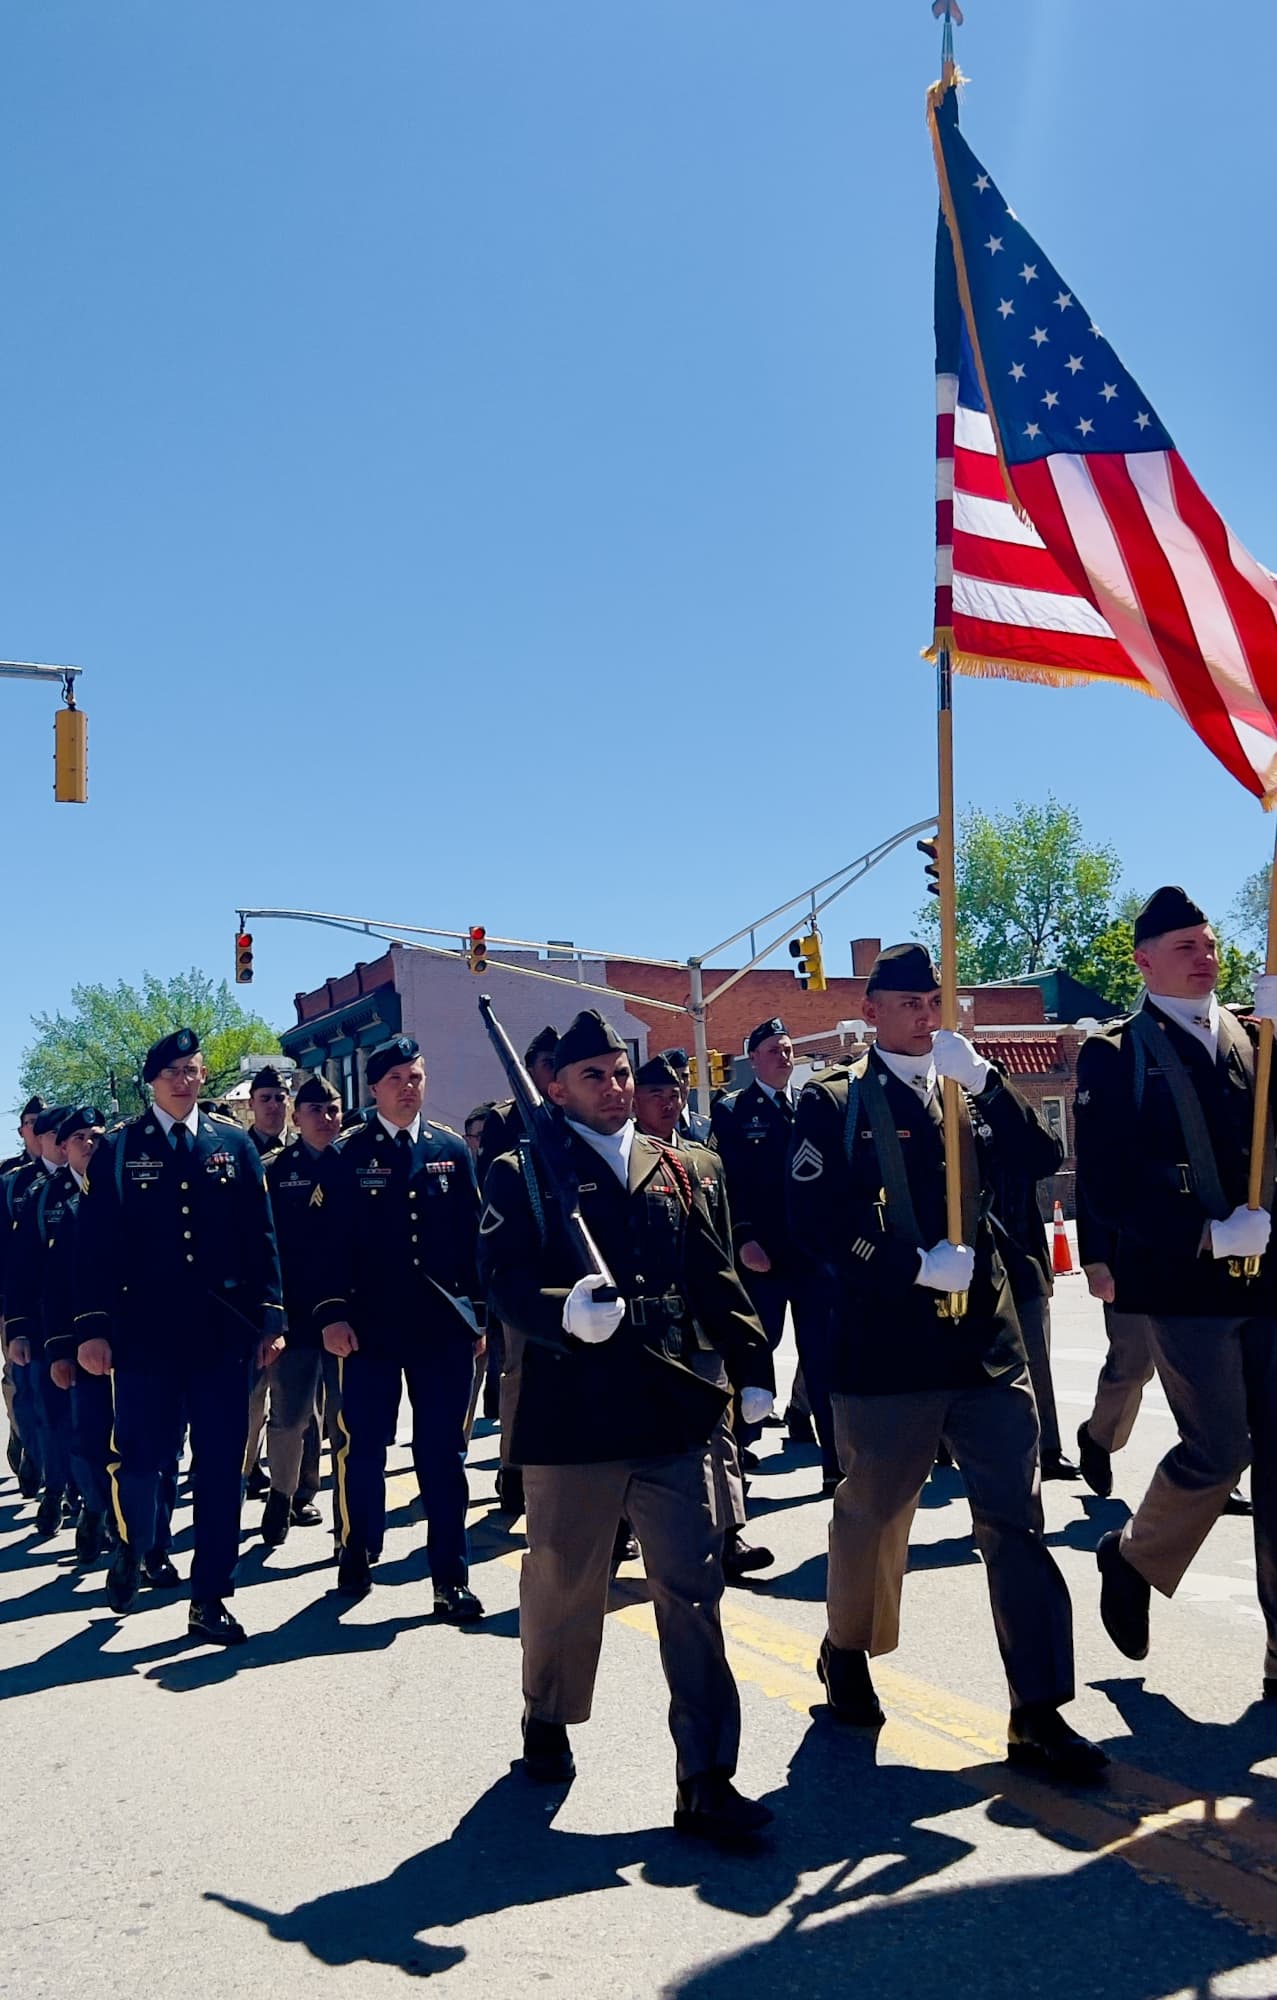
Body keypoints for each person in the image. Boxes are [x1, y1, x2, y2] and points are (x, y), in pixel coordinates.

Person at [788, 943, 1106, 1784]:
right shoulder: (833, 1101)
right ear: (872, 1011)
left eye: (933, 1001)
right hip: (887, 1347)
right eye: (909, 1003)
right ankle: (846, 1647)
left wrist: (990, 1083)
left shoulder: (968, 1087)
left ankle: (1037, 1710)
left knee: (1015, 1522)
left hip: (984, 1344)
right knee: (873, 1517)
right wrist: (908, 1266)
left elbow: (1039, 1160)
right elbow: (815, 1220)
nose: (926, 1015)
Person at [479, 1008, 777, 1844]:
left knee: (692, 1587)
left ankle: (706, 1777)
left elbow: (713, 1274)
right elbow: (500, 1280)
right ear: (555, 1089)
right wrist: (562, 1310)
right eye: (593, 1077)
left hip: (668, 1402)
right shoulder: (520, 1172)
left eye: (619, 1074)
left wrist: (752, 1367)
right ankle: (547, 1711)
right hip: (572, 1411)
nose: (613, 1090)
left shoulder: (678, 1166)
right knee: (564, 1582)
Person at [1075, 887, 1277, 1692]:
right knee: (1219, 1449)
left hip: (1269, 1278)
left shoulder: (1255, 1038)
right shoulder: (1114, 1052)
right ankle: (1131, 1557)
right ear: (1144, 961)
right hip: (1183, 1285)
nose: (1206, 957)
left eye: (1210, 943)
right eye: (1186, 946)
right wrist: (1202, 1233)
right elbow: (1105, 1185)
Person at [74, 1027, 284, 1644]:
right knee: (143, 1460)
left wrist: (271, 1317)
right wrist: (92, 1329)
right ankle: (132, 1542)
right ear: (152, 1081)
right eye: (173, 1072)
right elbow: (94, 1248)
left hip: (221, 1335)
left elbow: (261, 1235)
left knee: (220, 1468)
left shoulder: (233, 1144)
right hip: (146, 1336)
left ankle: (210, 1597)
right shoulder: (120, 1149)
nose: (185, 1081)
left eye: (193, 1070)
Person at [315, 1034, 486, 1621]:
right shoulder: (347, 1154)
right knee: (365, 1447)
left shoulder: (450, 1149)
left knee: (443, 1452)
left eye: (416, 1077)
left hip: (441, 1326)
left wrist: (478, 1314)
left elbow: (472, 1239)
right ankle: (357, 1547)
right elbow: (326, 1247)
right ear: (374, 1088)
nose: (409, 1089)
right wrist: (332, 1315)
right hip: (371, 1328)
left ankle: (450, 1578)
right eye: (396, 1080)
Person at [633, 1054, 773, 1582]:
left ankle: (730, 1536)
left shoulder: (705, 1161)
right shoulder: (624, 1162)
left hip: (704, 1322)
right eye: (656, 1095)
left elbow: (722, 1250)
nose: (669, 1103)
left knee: (720, 1432)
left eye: (675, 1094)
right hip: (652, 1328)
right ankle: (627, 1529)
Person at [711, 1019, 838, 1488]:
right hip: (761, 1258)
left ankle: (836, 1464)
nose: (784, 1057)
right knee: (753, 1353)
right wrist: (743, 1237)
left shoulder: (810, 1107)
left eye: (787, 1050)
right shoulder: (734, 1112)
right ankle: (738, 1448)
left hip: (810, 1258)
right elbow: (729, 1184)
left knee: (822, 1357)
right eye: (774, 1051)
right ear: (754, 1059)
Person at [257, 1072, 345, 1548]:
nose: (325, 1119)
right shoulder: (275, 1170)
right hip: (295, 1313)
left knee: (341, 1420)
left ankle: (314, 1497)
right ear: (296, 1117)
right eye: (314, 1110)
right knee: (291, 1415)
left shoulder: (355, 1164)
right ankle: (281, 1492)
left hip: (348, 1315)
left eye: (333, 1110)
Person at [476, 1026, 561, 1512]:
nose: (554, 1071)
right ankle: (512, 1467)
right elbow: (495, 1193)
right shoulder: (505, 1120)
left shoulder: (572, 1112)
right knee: (518, 1372)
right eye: (547, 1062)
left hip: (570, 1262)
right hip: (525, 1265)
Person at [984, 1100, 1077, 1480]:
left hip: (1022, 1254)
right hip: (973, 1260)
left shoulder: (1013, 1113)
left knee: (1036, 1356)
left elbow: (1049, 1154)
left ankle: (1048, 1448)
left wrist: (1001, 1099)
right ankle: (948, 1440)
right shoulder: (949, 1111)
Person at [41, 1108, 118, 1564]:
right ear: (63, 1146)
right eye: (81, 1138)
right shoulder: (50, 1199)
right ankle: (94, 1506)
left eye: (97, 1136)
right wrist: (56, 1347)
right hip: (79, 1339)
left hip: (134, 1339)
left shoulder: (127, 1188)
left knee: (141, 1440)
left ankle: (132, 1527)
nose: (91, 1144)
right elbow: (45, 1282)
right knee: (88, 1435)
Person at [657, 1049, 713, 1144]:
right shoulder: (652, 1128)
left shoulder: (707, 1127)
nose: (681, 1082)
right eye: (674, 1077)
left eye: (685, 1076)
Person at [246, 1067, 291, 1156]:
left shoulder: (306, 1147)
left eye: (280, 1098)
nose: (274, 1105)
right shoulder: (238, 1148)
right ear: (251, 1104)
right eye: (265, 1099)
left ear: (288, 1102)